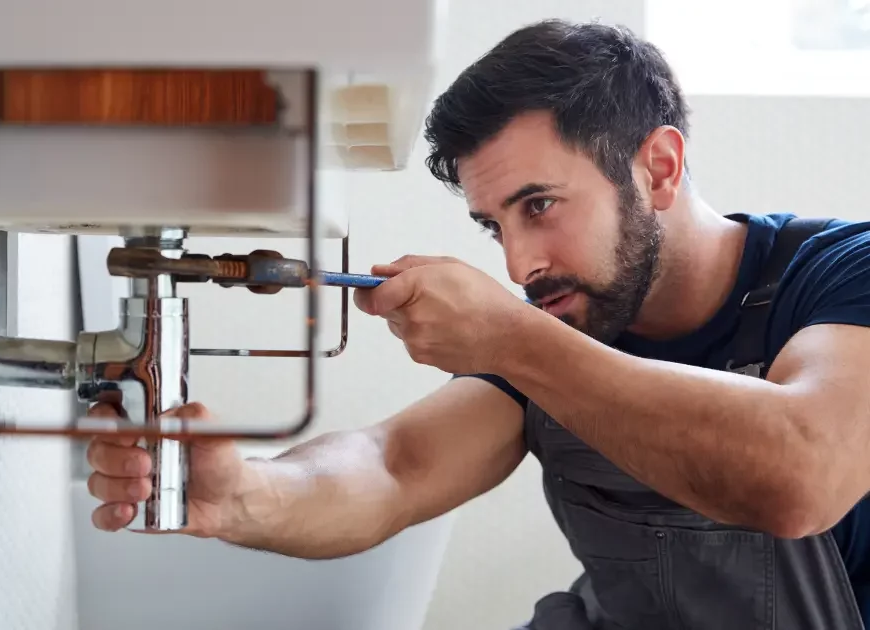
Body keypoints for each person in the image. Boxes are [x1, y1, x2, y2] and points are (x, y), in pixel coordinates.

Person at [83, 19, 870, 630]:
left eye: (539, 205)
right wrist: (246, 494)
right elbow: (394, 464)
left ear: (657, 168)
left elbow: (803, 475)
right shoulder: (563, 323)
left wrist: (511, 337)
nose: (521, 265)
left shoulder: (842, 274)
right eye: (495, 227)